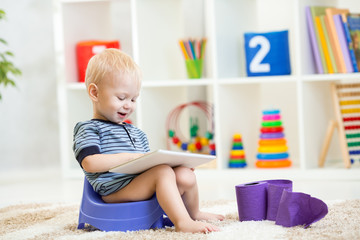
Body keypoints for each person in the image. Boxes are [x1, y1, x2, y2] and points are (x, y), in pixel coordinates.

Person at [73, 48, 224, 233]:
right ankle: (182, 222)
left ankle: (193, 213)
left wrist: (176, 165)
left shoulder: (137, 133)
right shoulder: (88, 128)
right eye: (121, 98)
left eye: (134, 99)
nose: (128, 105)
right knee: (161, 172)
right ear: (95, 93)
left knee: (185, 174)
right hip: (114, 191)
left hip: (139, 184)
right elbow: (89, 163)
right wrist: (130, 158)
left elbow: (148, 167)